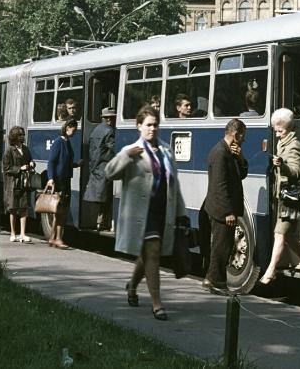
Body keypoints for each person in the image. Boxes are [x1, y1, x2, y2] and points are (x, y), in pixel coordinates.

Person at [105, 106, 188, 321]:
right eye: (148, 125)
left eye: (155, 124)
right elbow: (109, 172)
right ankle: (157, 304)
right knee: (152, 253)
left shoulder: (166, 151)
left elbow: (174, 185)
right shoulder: (132, 150)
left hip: (163, 211)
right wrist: (125, 155)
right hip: (142, 213)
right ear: (138, 126)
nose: (152, 129)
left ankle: (132, 286)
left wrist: (181, 212)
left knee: (151, 254)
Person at [259, 108, 300, 285]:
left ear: (287, 128)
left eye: (279, 129)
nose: (276, 132)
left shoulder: (293, 146)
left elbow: (296, 172)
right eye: (276, 128)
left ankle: (271, 271)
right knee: (286, 235)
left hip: (292, 199)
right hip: (285, 197)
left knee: (279, 234)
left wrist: (282, 165)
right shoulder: (285, 143)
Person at [201, 119, 248, 292]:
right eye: (243, 136)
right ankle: (215, 281)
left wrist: (240, 156)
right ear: (236, 135)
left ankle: (213, 280)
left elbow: (242, 174)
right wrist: (228, 211)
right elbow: (219, 185)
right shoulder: (220, 153)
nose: (244, 140)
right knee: (221, 247)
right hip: (221, 210)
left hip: (223, 209)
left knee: (223, 246)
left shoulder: (229, 152)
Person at [46, 119, 80, 248]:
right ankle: (57, 238)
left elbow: (66, 162)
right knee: (60, 211)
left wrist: (77, 164)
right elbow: (52, 162)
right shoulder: (59, 142)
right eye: (74, 129)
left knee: (61, 211)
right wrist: (50, 178)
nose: (75, 131)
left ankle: (53, 238)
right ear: (67, 128)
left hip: (65, 180)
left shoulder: (67, 142)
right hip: (59, 181)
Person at [82, 108, 116, 231]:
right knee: (106, 197)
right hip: (105, 167)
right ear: (108, 119)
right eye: (112, 118)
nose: (113, 120)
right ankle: (102, 222)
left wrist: (93, 167)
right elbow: (112, 150)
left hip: (95, 167)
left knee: (100, 196)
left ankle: (97, 222)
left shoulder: (95, 130)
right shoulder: (110, 131)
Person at [3, 126, 34, 243]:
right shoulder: (9, 150)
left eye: (23, 135)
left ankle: (22, 234)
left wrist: (31, 163)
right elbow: (6, 168)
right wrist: (20, 168)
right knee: (13, 209)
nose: (23, 137)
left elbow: (30, 160)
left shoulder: (25, 149)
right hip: (13, 183)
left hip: (24, 182)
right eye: (20, 135)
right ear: (14, 137)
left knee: (24, 208)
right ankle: (13, 233)